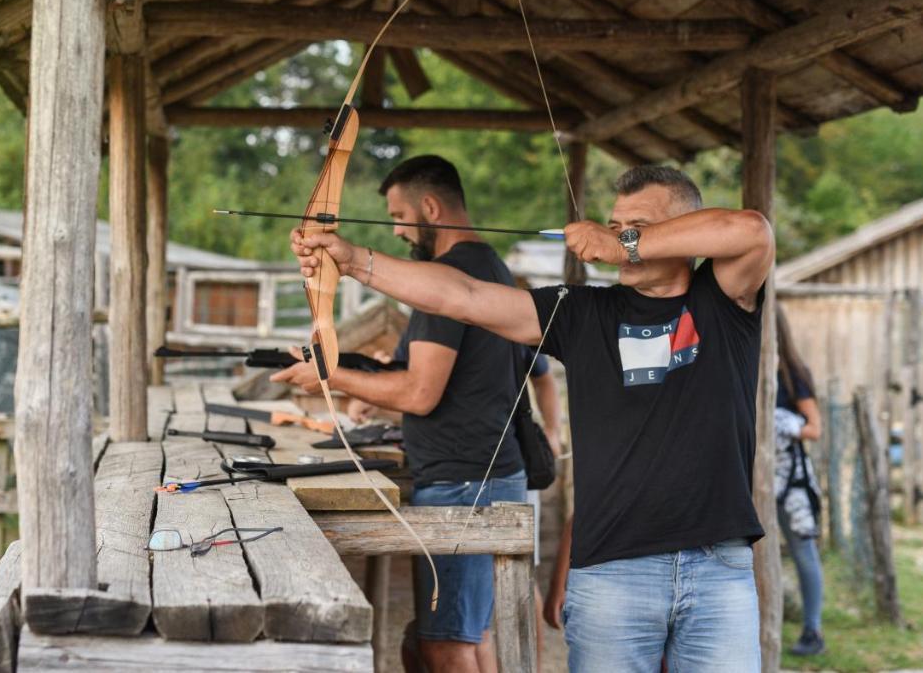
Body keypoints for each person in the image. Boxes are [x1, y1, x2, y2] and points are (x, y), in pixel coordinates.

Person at [290, 165, 775, 672]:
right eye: (614, 225)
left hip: (718, 568)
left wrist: (622, 246)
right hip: (614, 572)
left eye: (638, 225)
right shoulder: (582, 311)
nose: (617, 235)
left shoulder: (721, 299)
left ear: (683, 229)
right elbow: (464, 296)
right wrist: (353, 260)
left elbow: (751, 229)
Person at [272, 155, 535, 673]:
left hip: (466, 481)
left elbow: (419, 393)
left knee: (445, 645)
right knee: (461, 636)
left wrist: (327, 374)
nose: (393, 229)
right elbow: (412, 372)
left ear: (430, 207)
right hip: (476, 473)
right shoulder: (479, 268)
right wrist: (350, 371)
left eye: (397, 215)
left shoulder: (453, 276)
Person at [774, 306, 826, 656]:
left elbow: (815, 428)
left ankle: (812, 630)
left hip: (790, 479)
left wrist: (785, 424)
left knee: (802, 550)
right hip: (750, 476)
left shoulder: (793, 374)